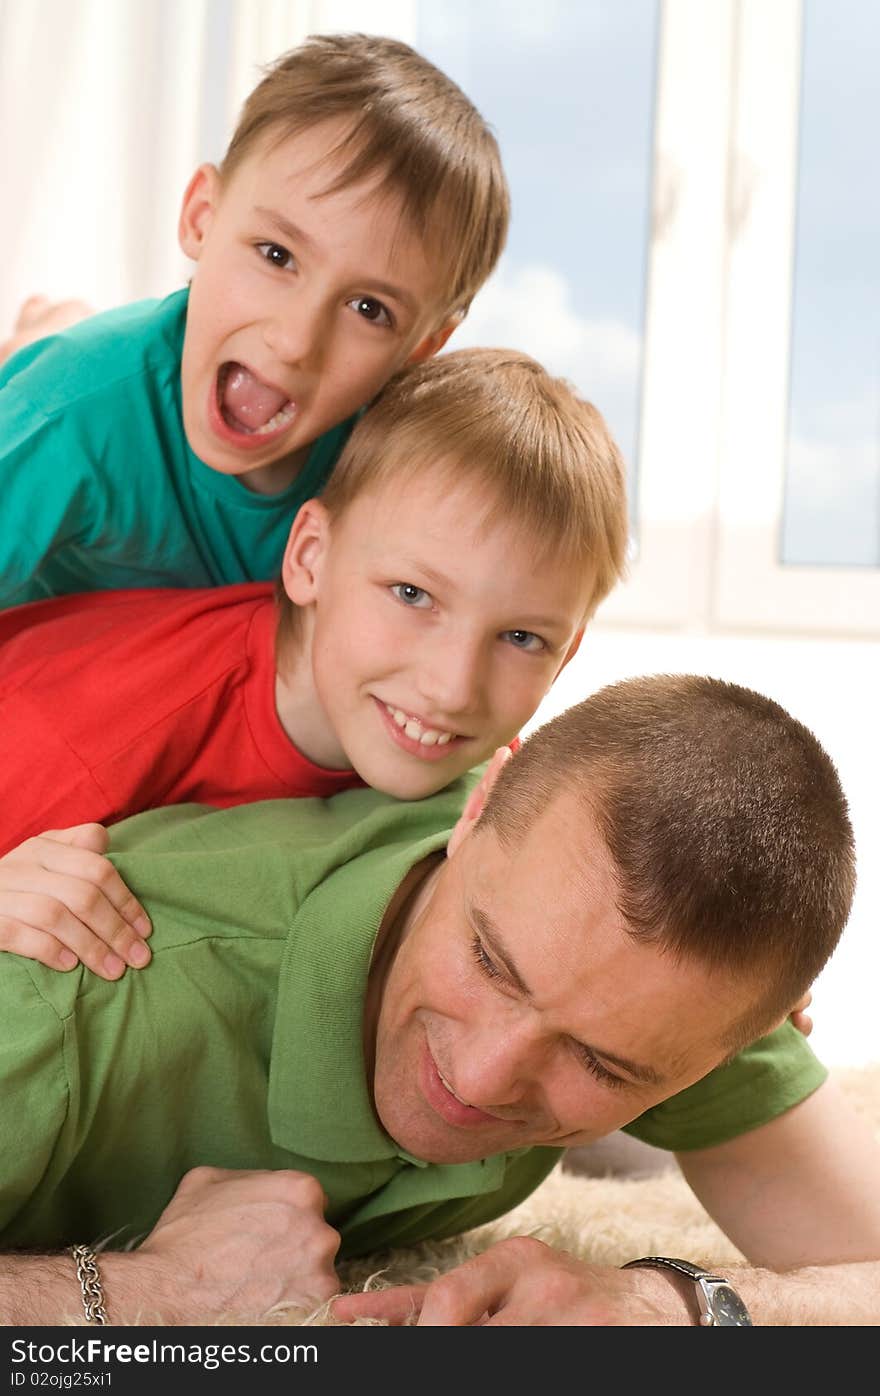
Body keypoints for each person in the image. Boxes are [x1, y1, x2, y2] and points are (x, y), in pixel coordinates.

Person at [1, 675, 878, 1326]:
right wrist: (139, 1293)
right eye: (491, 962)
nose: (486, 1075)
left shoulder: (669, 988)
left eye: (598, 1063)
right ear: (480, 808)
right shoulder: (77, 995)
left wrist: (665, 1308)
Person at [0, 347, 626, 979]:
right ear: (309, 559)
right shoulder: (103, 730)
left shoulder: (493, 763)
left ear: (568, 653)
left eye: (520, 638)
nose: (453, 688)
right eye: (413, 595)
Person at [0, 33, 507, 607]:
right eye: (276, 255)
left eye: (369, 310)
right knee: (60, 363)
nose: (294, 341)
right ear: (202, 218)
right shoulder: (65, 415)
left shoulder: (381, 467)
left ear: (421, 346)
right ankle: (40, 332)